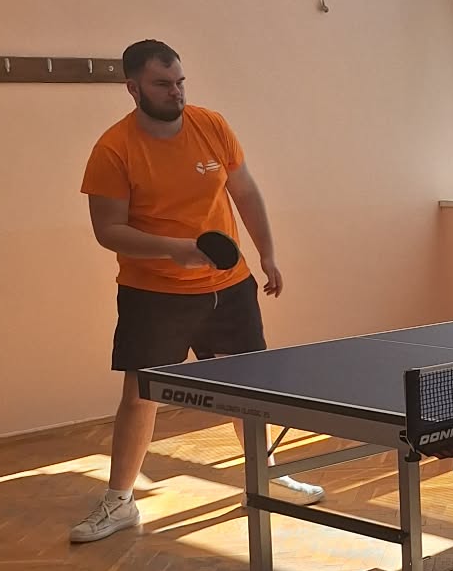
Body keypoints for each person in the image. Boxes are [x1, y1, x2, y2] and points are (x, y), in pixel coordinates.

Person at [71, 40, 322, 544]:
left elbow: (244, 190)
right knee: (141, 396)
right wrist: (174, 251)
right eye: (163, 84)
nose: (176, 92)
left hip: (228, 287)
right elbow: (107, 230)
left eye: (180, 81)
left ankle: (265, 475)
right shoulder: (113, 149)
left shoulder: (212, 126)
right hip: (153, 292)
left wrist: (267, 253)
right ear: (133, 88)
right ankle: (120, 501)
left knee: (246, 389)